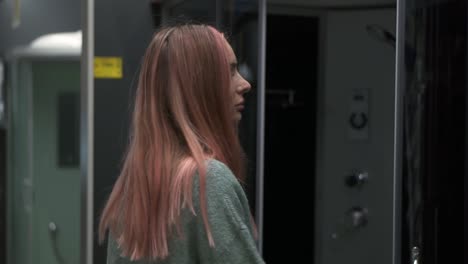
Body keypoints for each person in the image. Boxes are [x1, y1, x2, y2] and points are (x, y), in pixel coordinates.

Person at [99, 24, 265, 264]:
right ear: (199, 87)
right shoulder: (209, 180)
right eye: (229, 72)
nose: (245, 84)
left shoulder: (133, 188)